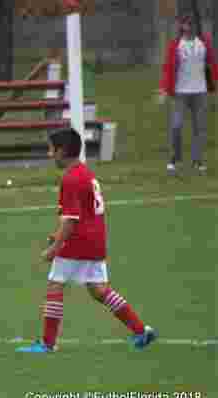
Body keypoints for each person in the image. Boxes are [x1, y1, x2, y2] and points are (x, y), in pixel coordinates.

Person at [16, 128, 156, 354]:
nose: (50, 154)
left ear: (62, 151)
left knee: (55, 285)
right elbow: (81, 214)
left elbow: (71, 221)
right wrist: (58, 234)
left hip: (78, 242)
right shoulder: (85, 173)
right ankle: (141, 330)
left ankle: (47, 344)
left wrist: (54, 247)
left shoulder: (71, 178)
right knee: (99, 290)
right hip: (95, 240)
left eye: (51, 149)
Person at [159, 14, 218, 176]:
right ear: (182, 26)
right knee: (176, 126)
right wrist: (164, 89)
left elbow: (212, 65)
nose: (189, 27)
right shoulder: (176, 45)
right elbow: (168, 68)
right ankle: (174, 159)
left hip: (200, 91)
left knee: (200, 128)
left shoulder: (204, 43)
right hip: (180, 92)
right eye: (186, 24)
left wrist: (213, 85)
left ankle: (198, 160)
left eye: (191, 24)